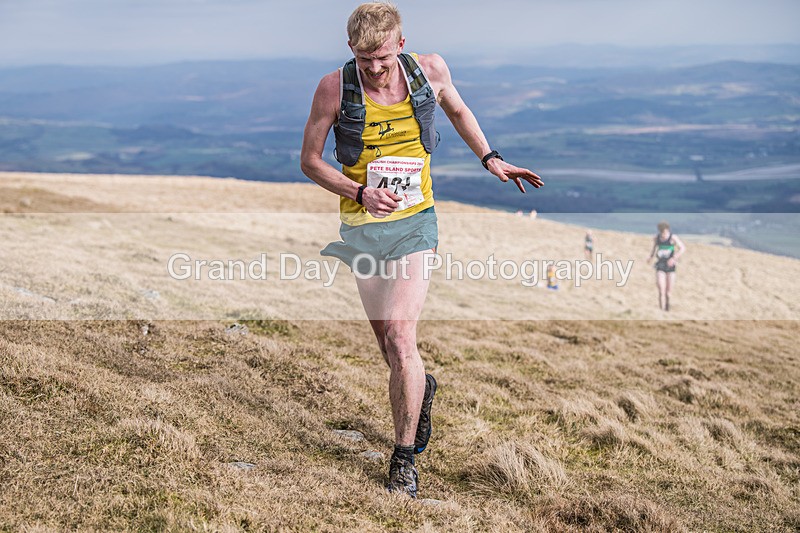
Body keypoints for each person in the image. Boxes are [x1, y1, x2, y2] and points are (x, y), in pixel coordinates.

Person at [300, 2, 543, 498]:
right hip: (363, 227)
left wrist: (490, 158)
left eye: (383, 57)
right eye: (364, 59)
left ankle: (404, 459)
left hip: (416, 222)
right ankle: (419, 387)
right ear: (350, 49)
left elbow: (457, 109)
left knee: (400, 334)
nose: (374, 68)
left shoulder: (429, 70)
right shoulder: (333, 87)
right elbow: (310, 161)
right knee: (389, 347)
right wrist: (360, 193)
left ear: (401, 44)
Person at [648, 221, 686, 311]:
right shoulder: (657, 238)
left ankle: (667, 308)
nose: (664, 235)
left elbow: (682, 248)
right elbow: (654, 248)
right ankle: (661, 310)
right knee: (661, 289)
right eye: (662, 233)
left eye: (665, 232)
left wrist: (674, 258)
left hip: (671, 266)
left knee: (668, 292)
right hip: (660, 265)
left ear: (668, 230)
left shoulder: (673, 238)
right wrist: (651, 257)